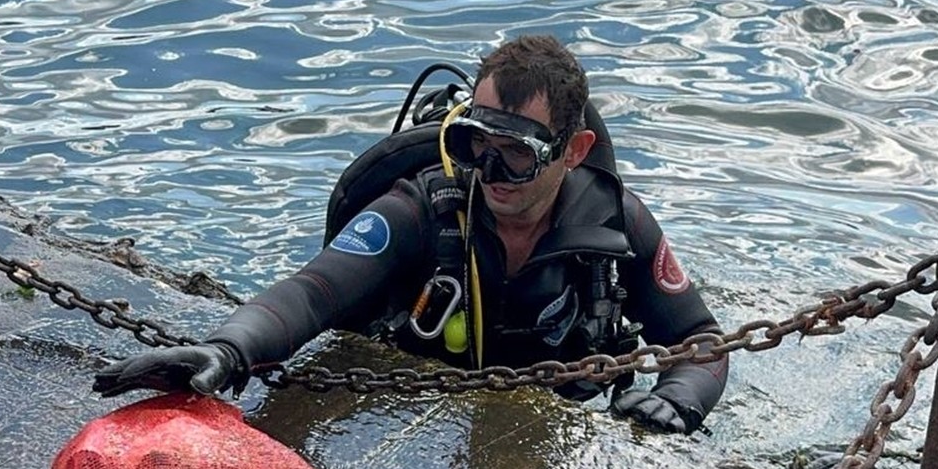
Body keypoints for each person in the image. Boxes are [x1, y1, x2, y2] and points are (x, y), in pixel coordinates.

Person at [94, 35, 728, 435]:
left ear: (573, 150)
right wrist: (228, 350)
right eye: (475, 143)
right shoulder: (423, 209)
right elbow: (315, 291)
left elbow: (700, 338)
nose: (490, 170)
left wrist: (678, 398)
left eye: (517, 153)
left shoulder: (618, 224)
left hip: (568, 404)